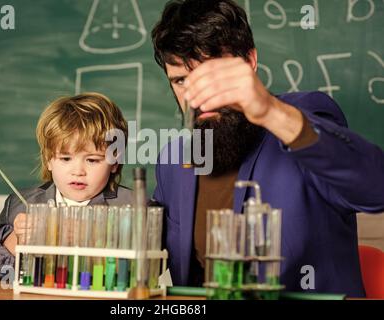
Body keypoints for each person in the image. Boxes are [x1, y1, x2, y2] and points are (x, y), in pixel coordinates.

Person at [151, 0, 384, 297]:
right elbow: (145, 250)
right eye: (181, 80)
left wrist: (271, 111)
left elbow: (376, 189)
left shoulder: (301, 118)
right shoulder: (174, 159)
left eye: (210, 74)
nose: (196, 96)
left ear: (249, 61)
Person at [0, 92, 132, 280]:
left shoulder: (133, 207)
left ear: (114, 162)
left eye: (92, 160)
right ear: (49, 159)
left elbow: (145, 272)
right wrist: (17, 239)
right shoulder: (20, 204)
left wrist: (90, 236)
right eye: (65, 158)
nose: (78, 171)